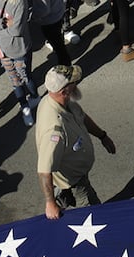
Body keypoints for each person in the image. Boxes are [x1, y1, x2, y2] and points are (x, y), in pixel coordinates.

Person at [35, 64, 114, 221]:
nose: (77, 83)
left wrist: (102, 136)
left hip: (74, 177)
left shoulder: (63, 102)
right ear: (64, 91)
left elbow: (82, 117)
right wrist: (50, 203)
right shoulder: (54, 130)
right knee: (95, 217)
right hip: (74, 184)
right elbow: (44, 170)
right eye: (73, 82)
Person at [0, 0, 35, 124]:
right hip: (3, 50)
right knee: (15, 81)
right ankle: (25, 107)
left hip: (20, 50)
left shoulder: (19, 3)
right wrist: (4, 23)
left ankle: (35, 97)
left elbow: (17, 30)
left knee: (26, 77)